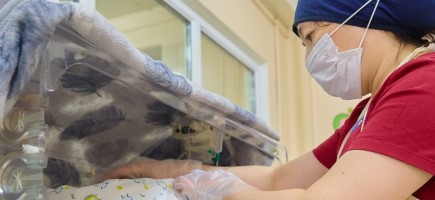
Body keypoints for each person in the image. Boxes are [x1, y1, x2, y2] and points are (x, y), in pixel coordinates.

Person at [100, 0, 435, 199]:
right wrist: (171, 170)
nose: (310, 56)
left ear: (364, 16)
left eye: (311, 38)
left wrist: (225, 190)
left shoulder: (423, 83)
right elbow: (281, 179)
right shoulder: (367, 111)